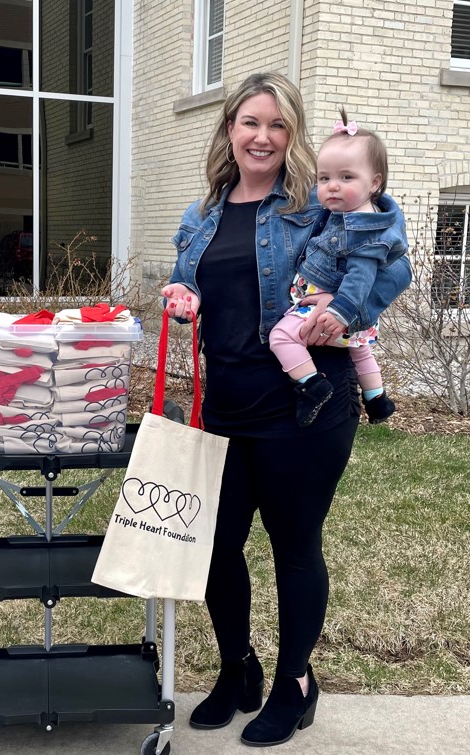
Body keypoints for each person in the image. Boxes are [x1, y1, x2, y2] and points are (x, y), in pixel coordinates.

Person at [162, 72, 411, 747]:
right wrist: (180, 294)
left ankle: (293, 682)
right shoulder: (202, 213)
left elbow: (393, 259)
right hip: (227, 405)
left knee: (293, 547)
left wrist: (344, 310)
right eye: (249, 122)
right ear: (230, 129)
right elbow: (191, 282)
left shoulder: (318, 206)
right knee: (216, 548)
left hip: (307, 403)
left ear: (293, 133)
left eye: (276, 125)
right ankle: (236, 666)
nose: (262, 136)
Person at [268, 108, 408, 427]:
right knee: (359, 349)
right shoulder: (345, 211)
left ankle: (311, 386)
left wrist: (340, 311)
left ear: (375, 183)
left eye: (346, 177)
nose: (332, 186)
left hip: (328, 307)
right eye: (324, 178)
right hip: (343, 311)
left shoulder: (363, 230)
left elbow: (362, 276)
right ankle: (377, 399)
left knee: (282, 338)